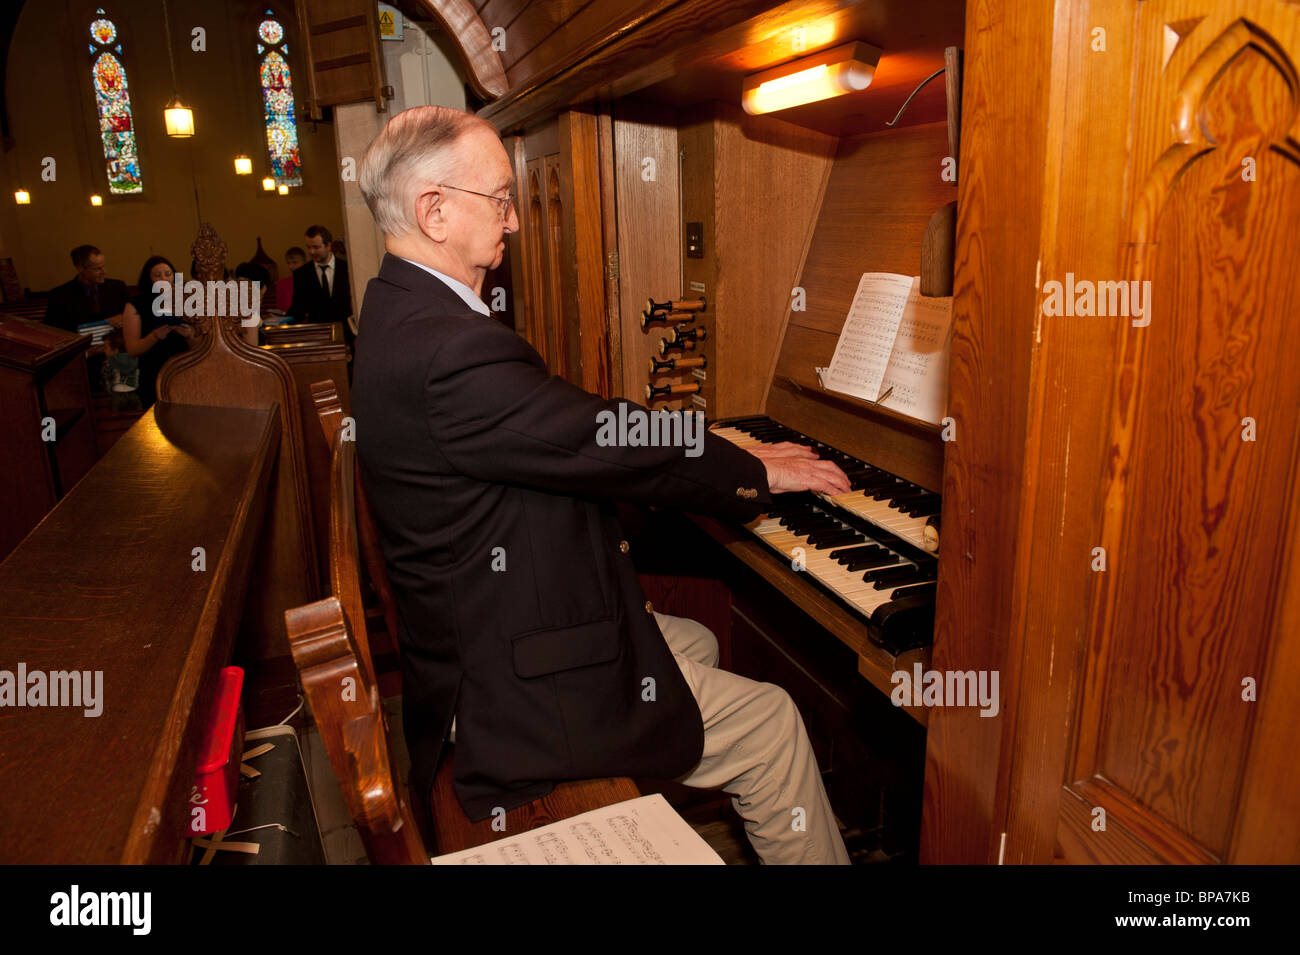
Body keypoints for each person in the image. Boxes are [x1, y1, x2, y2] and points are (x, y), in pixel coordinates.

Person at [352, 105, 854, 864]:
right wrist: (750, 467)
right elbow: (600, 435)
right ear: (434, 210)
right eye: (498, 199)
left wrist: (703, 446)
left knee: (690, 639)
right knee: (775, 718)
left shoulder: (398, 311)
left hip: (469, 642)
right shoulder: (445, 348)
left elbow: (567, 433)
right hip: (501, 697)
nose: (514, 221)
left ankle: (673, 792)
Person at [122, 256, 194, 409]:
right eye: (157, 275)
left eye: (168, 274)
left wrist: (188, 335)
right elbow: (132, 350)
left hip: (184, 370)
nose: (163, 279)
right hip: (153, 372)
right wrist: (154, 336)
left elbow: (201, 345)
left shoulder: (186, 300)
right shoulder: (136, 305)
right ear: (149, 278)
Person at [43, 244, 130, 334]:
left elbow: (134, 316)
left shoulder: (118, 287)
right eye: (97, 269)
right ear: (80, 268)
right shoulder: (59, 296)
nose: (104, 272)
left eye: (103, 266)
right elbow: (53, 331)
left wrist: (124, 317)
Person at [288, 225, 353, 343]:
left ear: (328, 246)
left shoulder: (348, 269)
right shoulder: (301, 274)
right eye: (308, 247)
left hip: (347, 336)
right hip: (317, 337)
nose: (311, 252)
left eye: (316, 247)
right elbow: (298, 310)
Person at [276, 246, 306, 313]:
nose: (291, 266)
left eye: (295, 262)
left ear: (304, 262)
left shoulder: (314, 280)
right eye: (288, 263)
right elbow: (281, 308)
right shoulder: (282, 283)